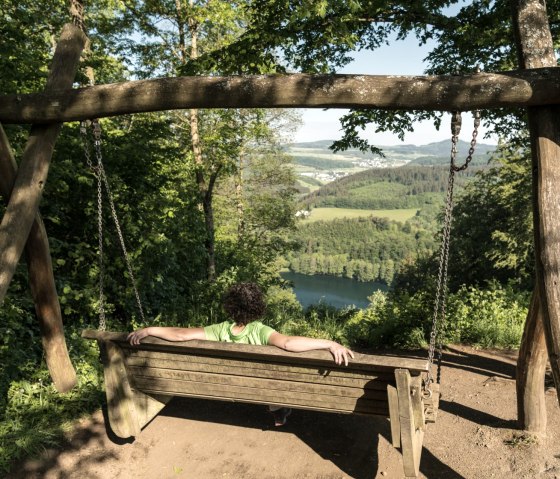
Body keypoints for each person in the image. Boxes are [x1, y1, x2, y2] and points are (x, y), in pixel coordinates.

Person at [128, 282, 354, 426]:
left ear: (230, 307)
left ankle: (276, 406)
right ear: (257, 308)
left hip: (228, 385)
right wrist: (329, 343)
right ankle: (278, 409)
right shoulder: (260, 331)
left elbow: (181, 335)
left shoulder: (218, 330)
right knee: (273, 379)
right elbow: (287, 343)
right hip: (261, 387)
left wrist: (149, 330)